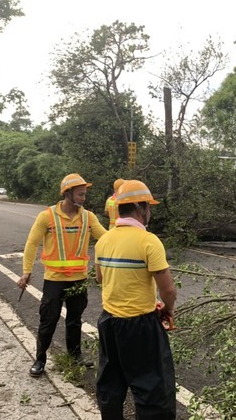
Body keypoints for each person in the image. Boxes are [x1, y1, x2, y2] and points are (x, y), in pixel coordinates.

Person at [94, 179, 177, 420]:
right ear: (141, 208)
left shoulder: (104, 240)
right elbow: (168, 291)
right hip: (140, 326)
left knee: (110, 385)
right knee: (153, 390)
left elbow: (100, 279)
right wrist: (167, 310)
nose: (150, 212)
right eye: (149, 207)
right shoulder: (148, 241)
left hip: (109, 323)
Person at [16, 173, 107, 377]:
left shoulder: (88, 217)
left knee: (75, 321)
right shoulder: (47, 216)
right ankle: (40, 359)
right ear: (67, 193)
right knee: (48, 321)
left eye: (85, 194)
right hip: (54, 280)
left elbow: (106, 238)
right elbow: (31, 243)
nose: (84, 198)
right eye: (80, 194)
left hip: (78, 279)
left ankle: (75, 357)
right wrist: (26, 271)